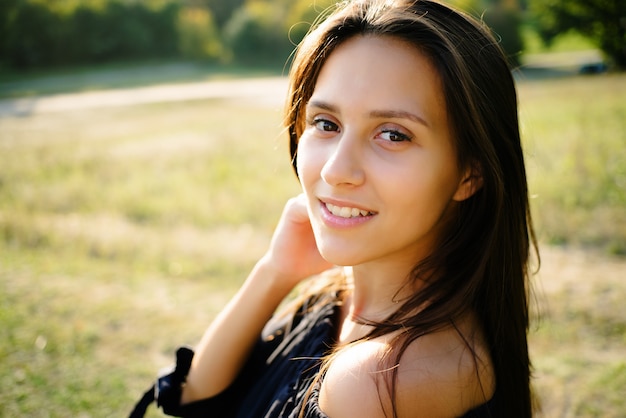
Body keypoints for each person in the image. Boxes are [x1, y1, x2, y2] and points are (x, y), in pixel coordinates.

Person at [130, 0, 539, 417]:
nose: (336, 169)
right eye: (326, 123)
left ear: (470, 172)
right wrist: (275, 271)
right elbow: (198, 398)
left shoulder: (377, 380)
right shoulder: (336, 298)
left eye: (393, 135)